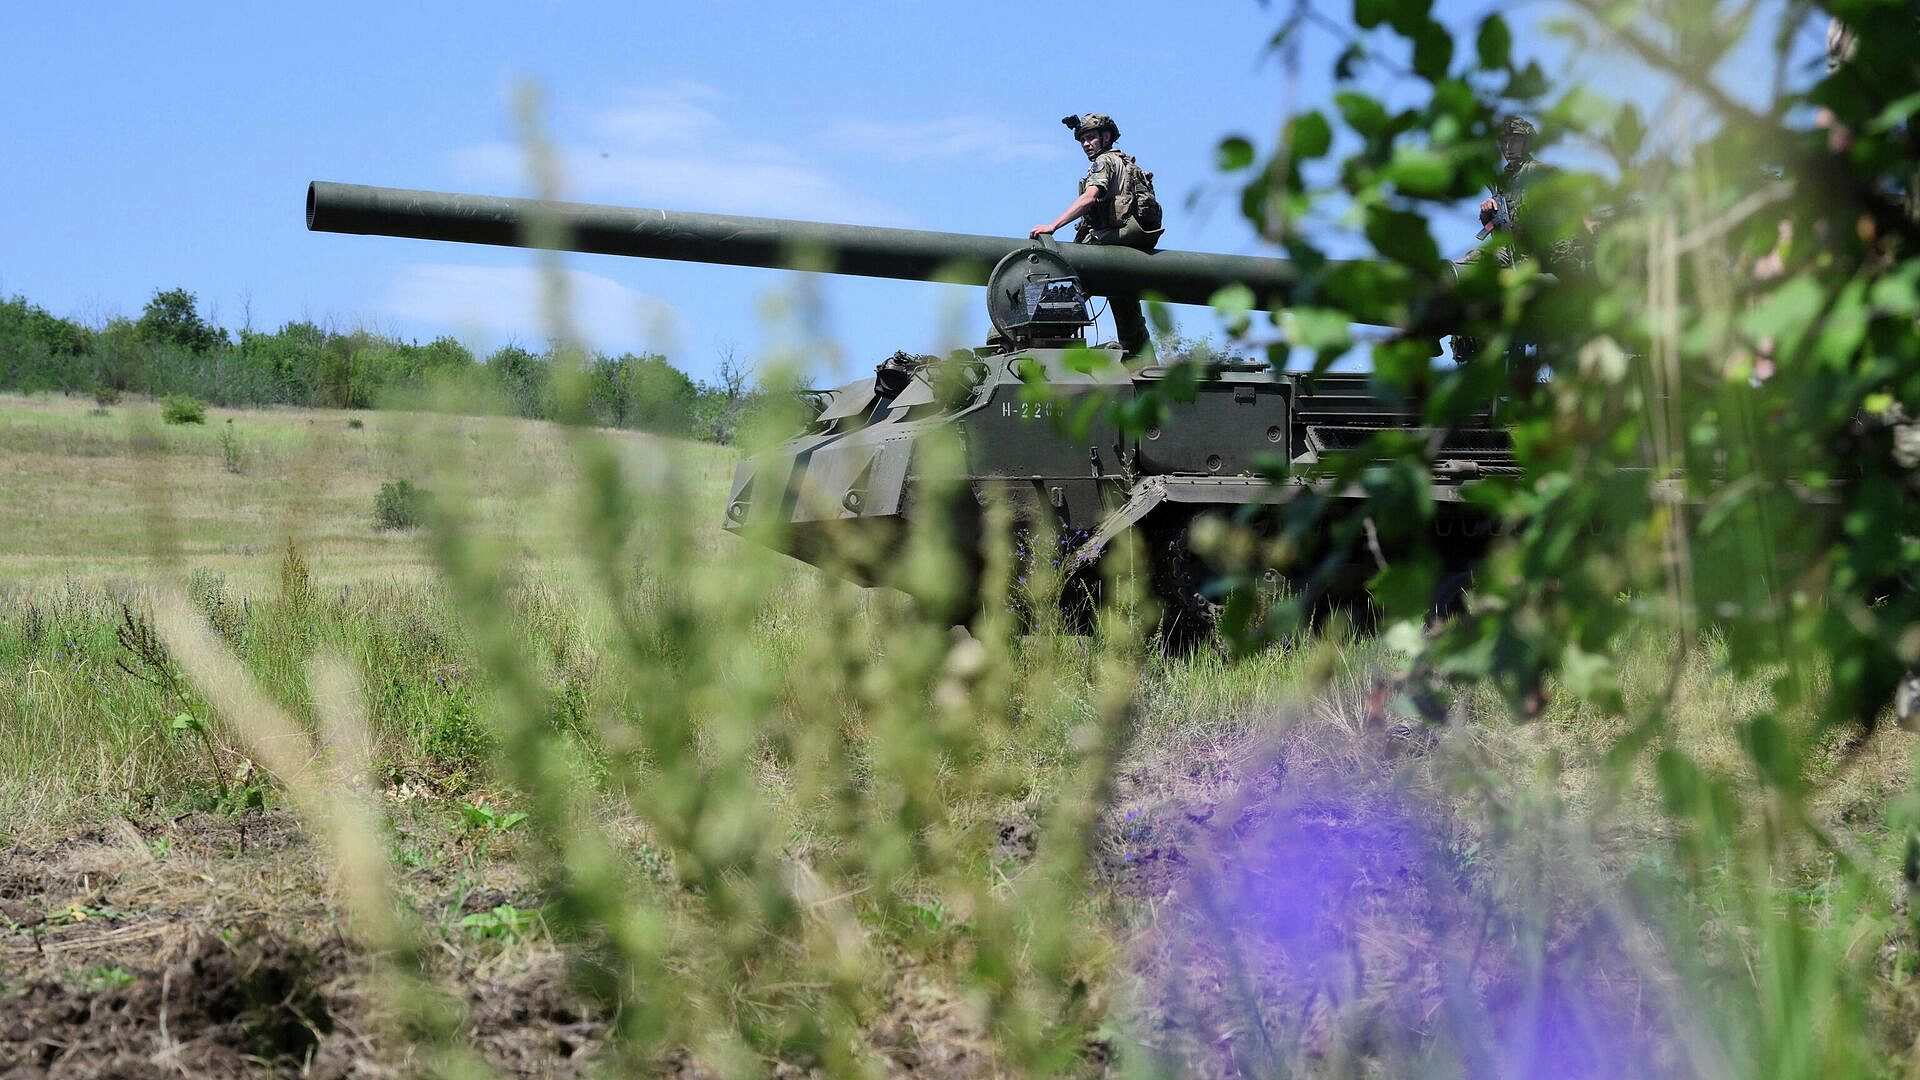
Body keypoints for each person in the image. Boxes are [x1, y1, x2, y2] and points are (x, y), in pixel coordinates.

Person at [1030, 113, 1165, 358]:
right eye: (1082, 140)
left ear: (1106, 137)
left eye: (1090, 137)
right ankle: (1146, 367)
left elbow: (1090, 197)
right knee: (1127, 311)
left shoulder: (1103, 163)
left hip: (1110, 239)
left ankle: (1042, 352)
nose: (1086, 144)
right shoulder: (1125, 162)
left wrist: (1053, 225)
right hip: (1130, 241)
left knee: (1060, 287)